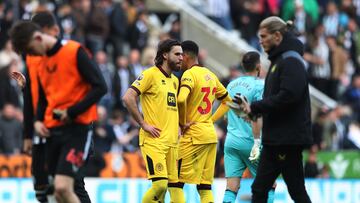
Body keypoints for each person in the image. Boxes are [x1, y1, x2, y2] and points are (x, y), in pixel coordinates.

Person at [9, 20, 107, 203]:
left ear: (39, 36)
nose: (32, 55)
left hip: (78, 130)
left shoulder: (73, 51)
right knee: (52, 192)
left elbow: (100, 87)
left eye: (31, 50)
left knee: (66, 186)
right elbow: (42, 97)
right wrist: (35, 124)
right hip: (51, 131)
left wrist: (71, 112)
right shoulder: (40, 59)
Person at [235, 16, 312, 203]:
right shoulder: (281, 60)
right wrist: (254, 112)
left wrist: (256, 106)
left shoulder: (290, 61)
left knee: (286, 190)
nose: (260, 41)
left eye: (263, 36)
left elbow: (289, 96)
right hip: (277, 137)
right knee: (262, 189)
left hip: (285, 138)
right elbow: (278, 98)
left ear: (277, 36)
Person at [122, 39, 183, 203]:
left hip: (172, 143)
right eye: (177, 54)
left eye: (182, 54)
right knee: (160, 186)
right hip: (154, 141)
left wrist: (178, 127)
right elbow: (128, 97)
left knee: (177, 195)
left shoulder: (175, 81)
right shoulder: (150, 74)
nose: (181, 58)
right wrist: (143, 124)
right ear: (165, 55)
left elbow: (169, 108)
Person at [212, 51, 275, 203]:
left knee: (231, 187)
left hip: (231, 142)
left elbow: (226, 111)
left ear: (243, 66)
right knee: (270, 185)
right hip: (251, 141)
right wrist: (257, 142)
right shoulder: (260, 86)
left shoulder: (232, 84)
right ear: (259, 67)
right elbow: (258, 115)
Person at [174, 40, 230, 203]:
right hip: (210, 136)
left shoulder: (189, 75)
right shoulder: (211, 75)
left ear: (185, 56)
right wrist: (210, 120)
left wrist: (183, 122)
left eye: (179, 56)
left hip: (193, 136)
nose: (178, 60)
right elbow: (228, 101)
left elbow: (181, 99)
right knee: (204, 187)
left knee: (175, 182)